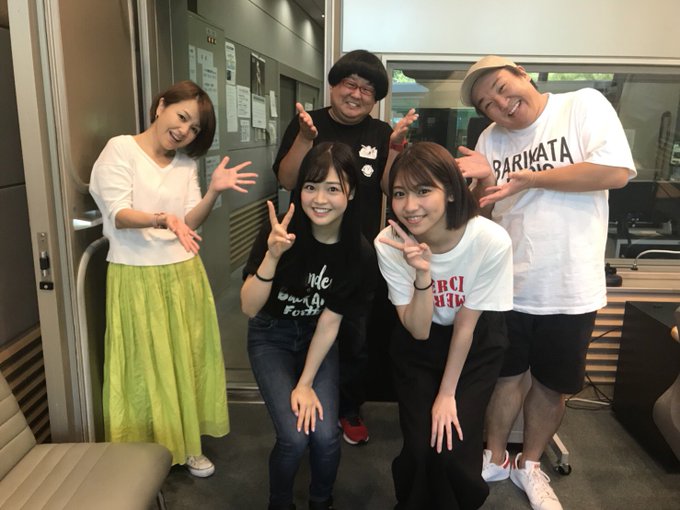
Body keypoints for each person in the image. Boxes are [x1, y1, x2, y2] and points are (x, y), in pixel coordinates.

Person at [456, 55, 636, 510]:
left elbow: (615, 172)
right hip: (508, 284)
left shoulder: (582, 105)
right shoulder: (490, 138)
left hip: (570, 284)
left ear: (521, 74)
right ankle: (496, 457)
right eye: (487, 103)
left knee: (552, 385)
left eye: (501, 88)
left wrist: (531, 179)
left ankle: (530, 465)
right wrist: (481, 185)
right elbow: (483, 213)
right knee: (505, 377)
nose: (500, 104)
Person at [89, 80, 257, 477]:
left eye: (194, 128)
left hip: (183, 273)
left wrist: (213, 192)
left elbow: (190, 221)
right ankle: (141, 454)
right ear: (161, 105)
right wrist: (163, 219)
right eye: (182, 117)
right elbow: (119, 214)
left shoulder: (184, 165)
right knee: (145, 366)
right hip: (136, 275)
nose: (184, 131)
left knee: (186, 359)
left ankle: (188, 443)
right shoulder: (120, 149)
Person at [274, 49, 418, 445]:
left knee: (355, 336)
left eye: (367, 90)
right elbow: (287, 179)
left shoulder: (380, 132)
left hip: (358, 255)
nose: (356, 94)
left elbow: (389, 188)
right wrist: (305, 139)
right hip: (307, 251)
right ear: (334, 86)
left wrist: (394, 149)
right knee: (303, 328)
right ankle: (298, 397)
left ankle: (349, 408)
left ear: (375, 99)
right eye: (350, 84)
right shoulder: (308, 124)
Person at [375, 142, 513, 509]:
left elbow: (466, 324)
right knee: (421, 447)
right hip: (418, 342)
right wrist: (423, 275)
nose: (410, 206)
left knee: (453, 447)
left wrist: (447, 394)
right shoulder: (389, 243)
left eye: (423, 191)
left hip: (475, 343)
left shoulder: (488, 240)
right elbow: (418, 330)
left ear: (451, 191)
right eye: (400, 193)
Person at [242, 142, 375, 510]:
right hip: (270, 334)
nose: (319, 199)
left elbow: (330, 324)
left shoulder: (358, 252)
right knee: (294, 437)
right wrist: (272, 256)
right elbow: (249, 307)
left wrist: (305, 383)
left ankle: (321, 501)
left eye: (333, 188)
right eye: (311, 186)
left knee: (327, 436)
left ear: (350, 193)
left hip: (317, 337)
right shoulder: (280, 233)